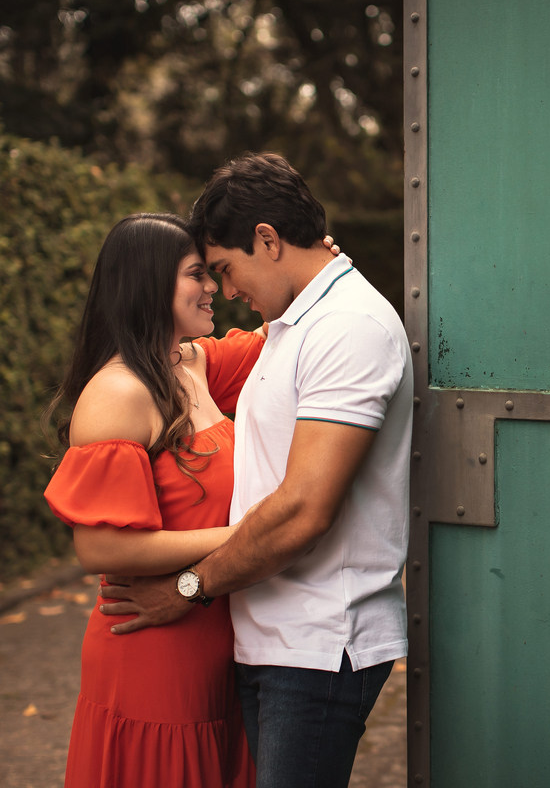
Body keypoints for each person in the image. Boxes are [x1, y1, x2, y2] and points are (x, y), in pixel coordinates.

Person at [98, 153, 414, 788]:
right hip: (275, 638)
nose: (227, 289)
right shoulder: (291, 326)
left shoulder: (346, 326)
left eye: (225, 268)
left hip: (322, 644)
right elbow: (169, 353)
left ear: (267, 240)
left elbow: (303, 511)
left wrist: (185, 588)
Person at [43, 213, 262, 787]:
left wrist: (317, 257)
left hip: (218, 637)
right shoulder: (118, 393)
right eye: (197, 274)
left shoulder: (195, 364)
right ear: (149, 284)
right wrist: (251, 536)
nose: (214, 285)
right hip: (153, 650)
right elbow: (99, 546)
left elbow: (289, 334)